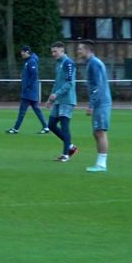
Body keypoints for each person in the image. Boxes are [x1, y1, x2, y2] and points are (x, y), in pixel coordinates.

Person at [77, 40, 112, 172]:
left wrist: (91, 105)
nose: (78, 51)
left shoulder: (94, 64)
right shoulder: (92, 63)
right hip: (100, 102)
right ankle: (100, 163)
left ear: (87, 50)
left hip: (101, 103)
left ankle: (102, 164)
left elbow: (97, 85)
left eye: (80, 49)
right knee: (97, 132)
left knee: (100, 132)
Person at [45, 41, 78, 162]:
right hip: (58, 100)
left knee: (64, 126)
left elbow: (69, 83)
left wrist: (56, 94)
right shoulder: (58, 63)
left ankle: (66, 154)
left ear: (62, 50)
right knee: (51, 125)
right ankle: (70, 147)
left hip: (67, 100)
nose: (53, 54)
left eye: (55, 51)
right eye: (52, 52)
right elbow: (57, 82)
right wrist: (50, 99)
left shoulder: (68, 63)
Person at [6, 45, 49, 135]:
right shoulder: (28, 61)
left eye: (23, 52)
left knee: (22, 111)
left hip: (29, 91)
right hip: (30, 91)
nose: (21, 54)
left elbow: (34, 74)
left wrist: (27, 86)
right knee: (36, 110)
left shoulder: (31, 61)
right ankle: (46, 127)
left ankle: (15, 128)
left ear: (27, 52)